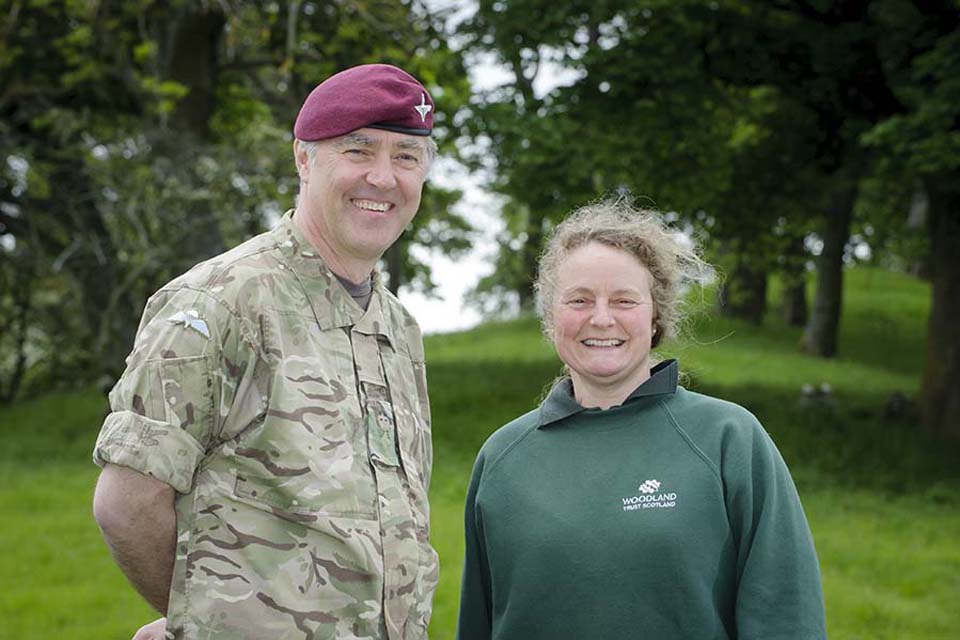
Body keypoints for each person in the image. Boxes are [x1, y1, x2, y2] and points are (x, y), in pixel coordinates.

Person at [92, 63, 439, 640]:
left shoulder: (397, 328)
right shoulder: (220, 303)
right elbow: (128, 501)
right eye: (358, 150)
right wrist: (197, 619)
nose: (383, 177)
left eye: (407, 156)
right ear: (304, 159)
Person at [456, 198, 827, 639]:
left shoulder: (729, 439)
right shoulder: (502, 458)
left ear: (656, 315)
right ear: (551, 314)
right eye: (579, 299)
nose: (601, 318)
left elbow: (787, 614)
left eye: (624, 300)